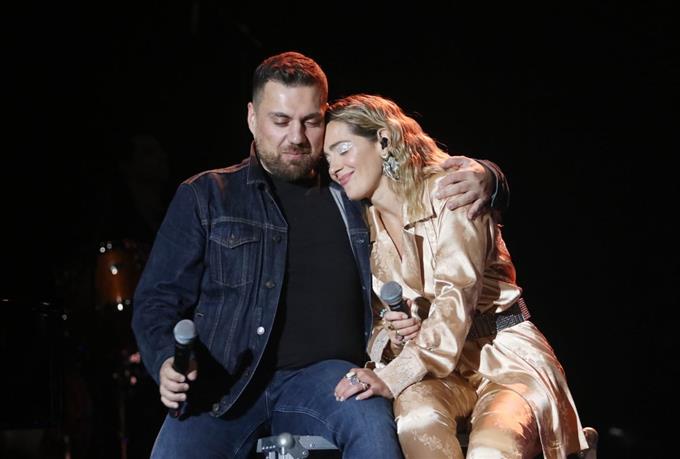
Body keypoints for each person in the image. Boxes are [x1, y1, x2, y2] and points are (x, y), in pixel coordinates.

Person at [131, 51, 509, 458]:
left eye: (310, 122)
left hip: (328, 380)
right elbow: (157, 299)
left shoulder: (351, 191)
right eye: (280, 121)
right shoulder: (206, 195)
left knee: (373, 431)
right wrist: (165, 360)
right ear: (252, 118)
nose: (296, 136)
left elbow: (420, 177)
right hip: (223, 386)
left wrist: (489, 177)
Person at [326, 94, 592, 459]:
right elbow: (376, 321)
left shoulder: (452, 192)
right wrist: (396, 334)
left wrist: (392, 375)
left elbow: (456, 298)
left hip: (504, 356)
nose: (334, 167)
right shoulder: (363, 227)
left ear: (384, 140)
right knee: (416, 421)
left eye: (343, 149)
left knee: (490, 450)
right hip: (437, 371)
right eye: (327, 158)